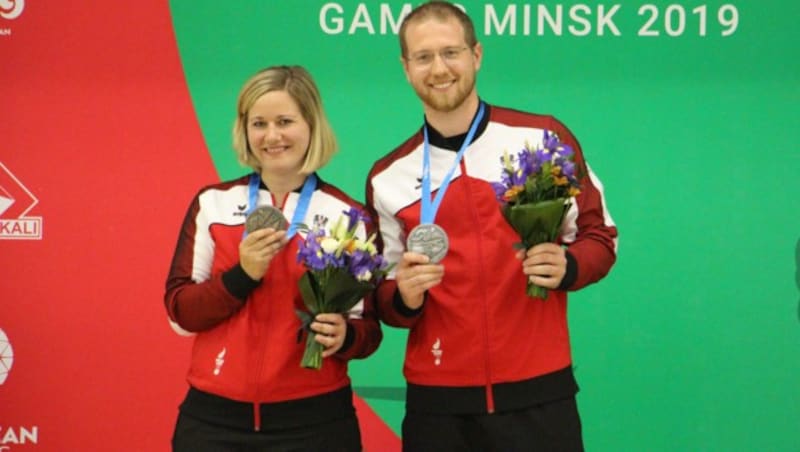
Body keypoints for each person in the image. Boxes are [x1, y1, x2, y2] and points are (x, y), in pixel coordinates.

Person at [365, 2, 618, 451]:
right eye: (423, 57)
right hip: (437, 408)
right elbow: (381, 295)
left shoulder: (542, 139)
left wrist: (569, 265)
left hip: (539, 396)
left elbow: (600, 236)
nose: (439, 68)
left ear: (476, 55)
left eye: (451, 52)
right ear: (406, 68)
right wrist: (403, 296)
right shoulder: (388, 176)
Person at [165, 65, 381, 452]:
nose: (272, 136)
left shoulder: (347, 216)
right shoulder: (213, 204)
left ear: (311, 125)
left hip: (315, 426)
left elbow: (368, 330)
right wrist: (242, 275)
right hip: (214, 424)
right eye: (259, 123)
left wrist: (345, 336)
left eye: (285, 121)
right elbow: (181, 312)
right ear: (245, 131)